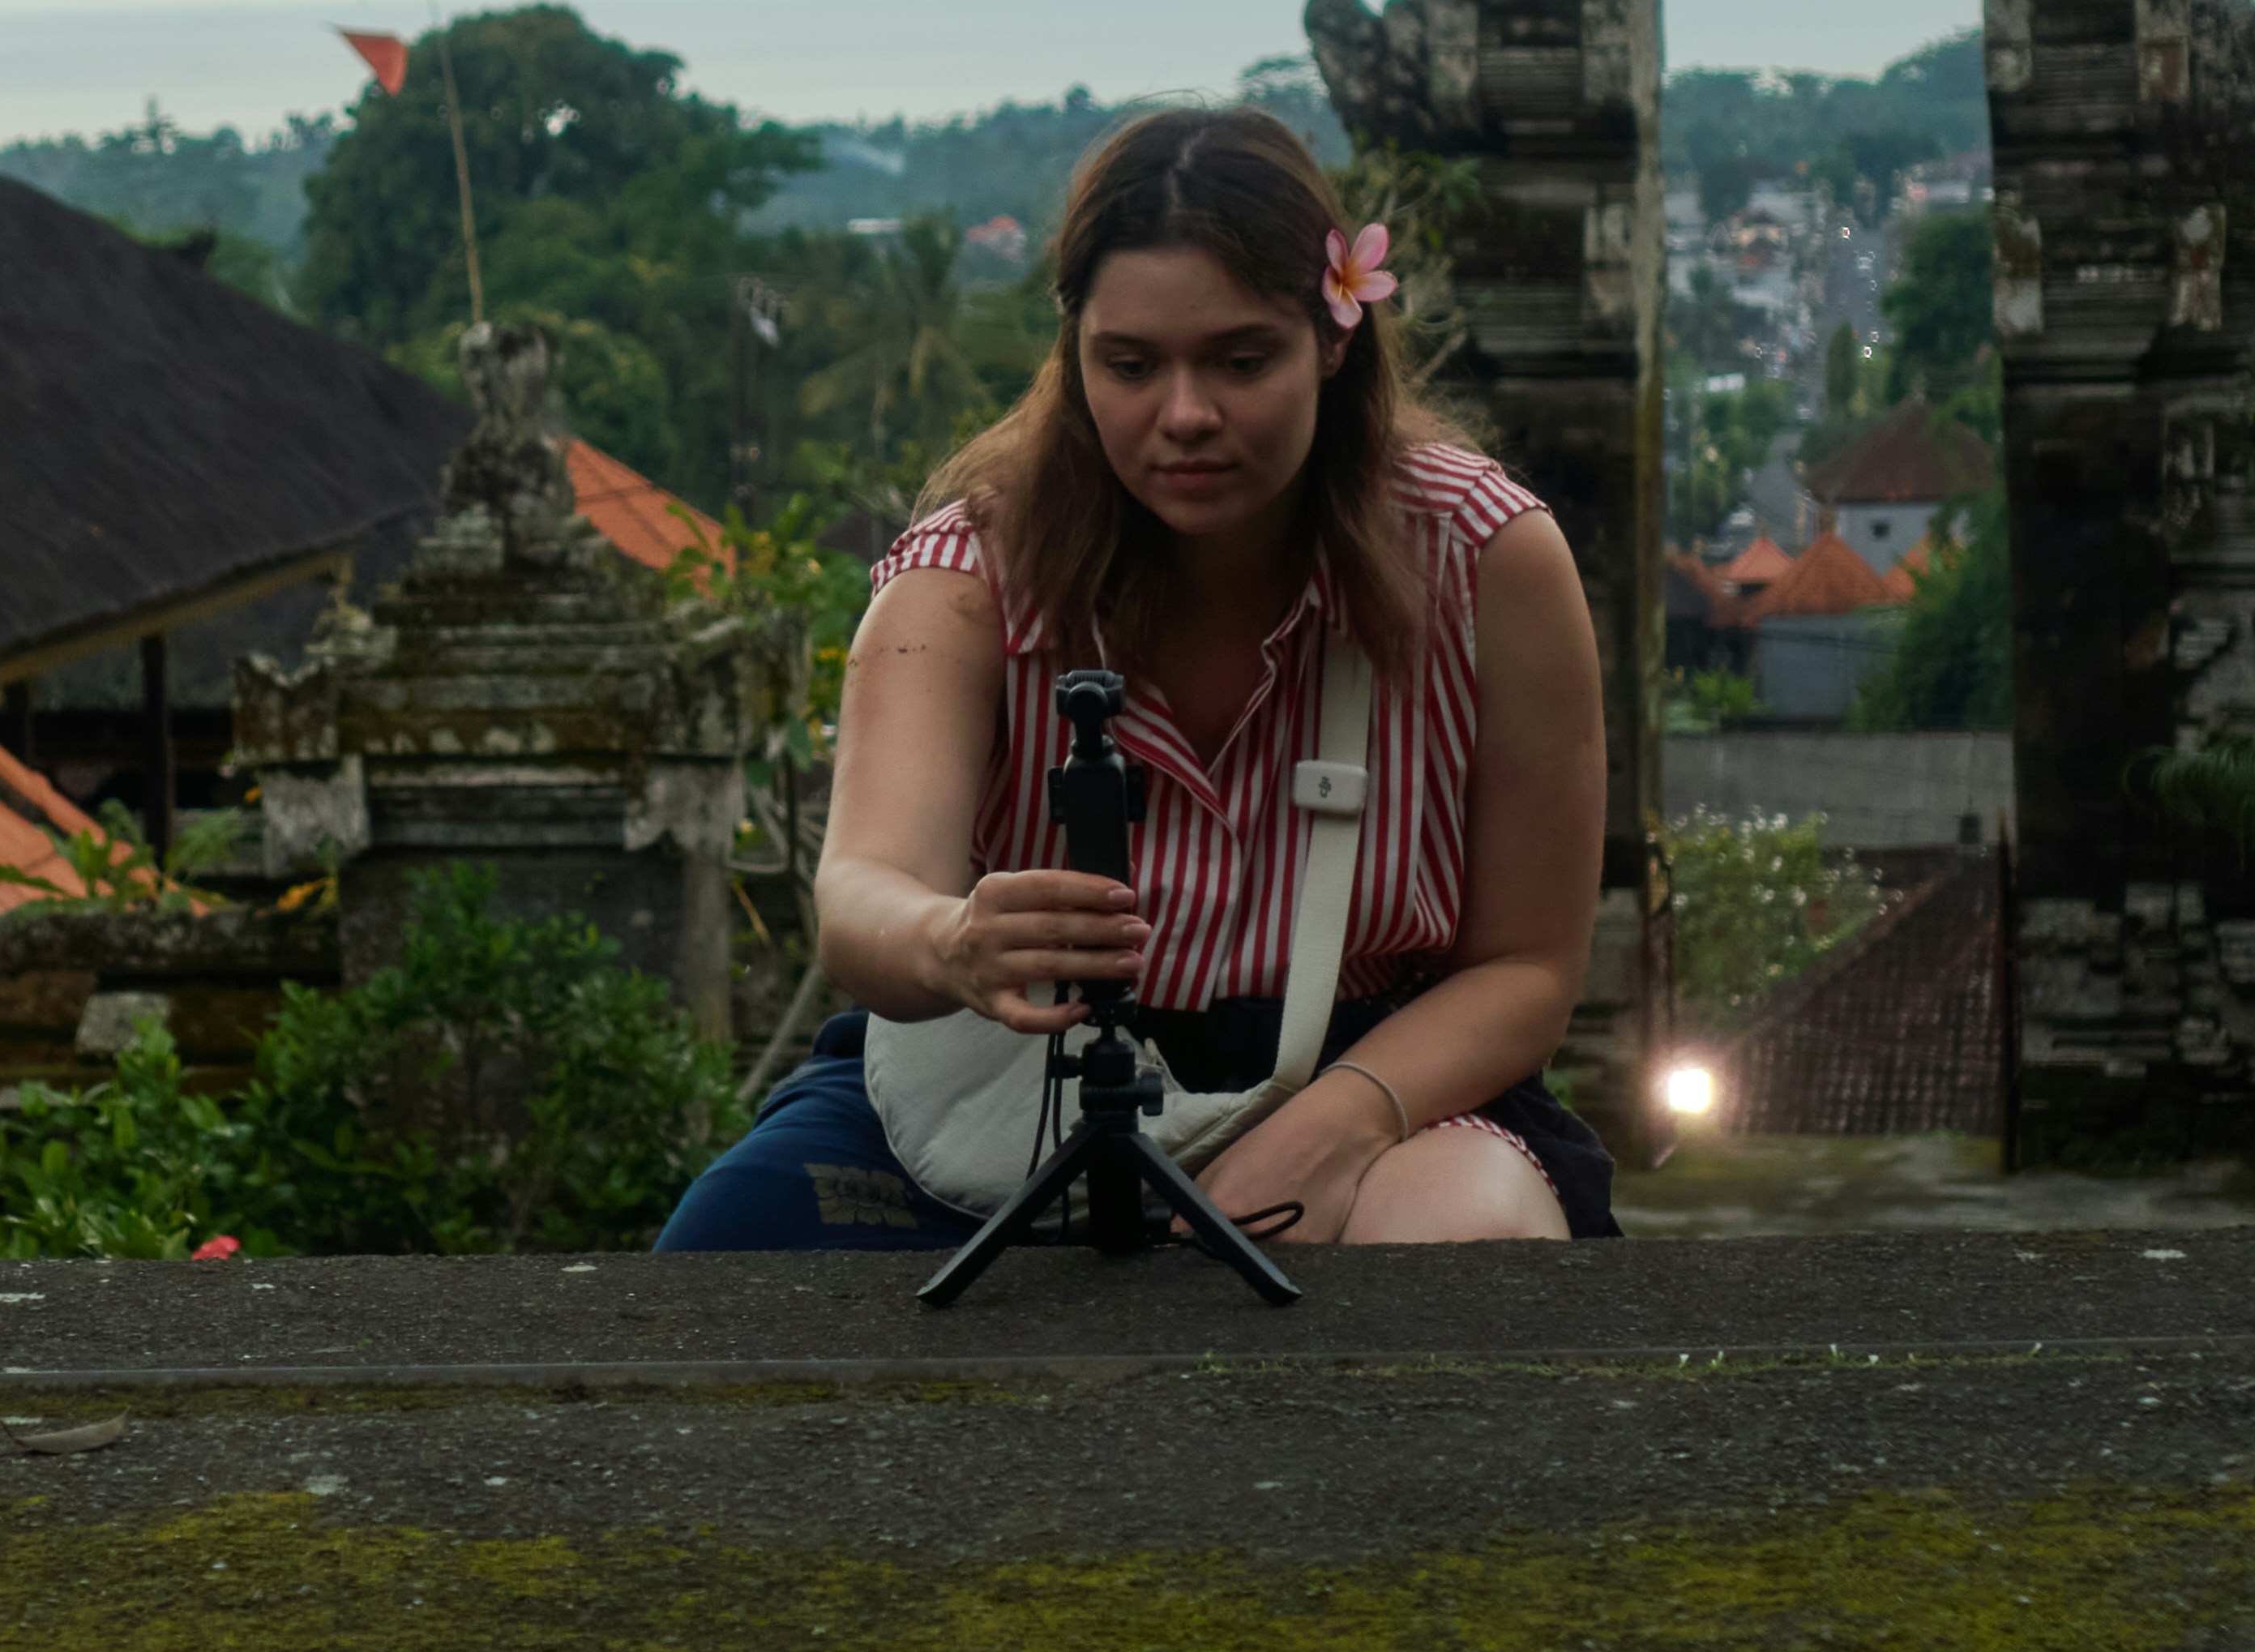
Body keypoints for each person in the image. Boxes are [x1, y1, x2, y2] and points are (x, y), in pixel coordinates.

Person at [655, 105, 1616, 1252]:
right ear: (1075, 353)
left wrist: (1332, 1129)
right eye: (1131, 365)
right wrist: (954, 939)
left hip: (1376, 1073)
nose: (1186, 416)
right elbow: (864, 893)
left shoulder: (1484, 559)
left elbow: (1528, 964)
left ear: (1335, 338)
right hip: (1014, 1081)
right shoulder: (965, 580)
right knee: (724, 1258)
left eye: (1241, 359)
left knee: (1463, 1239)